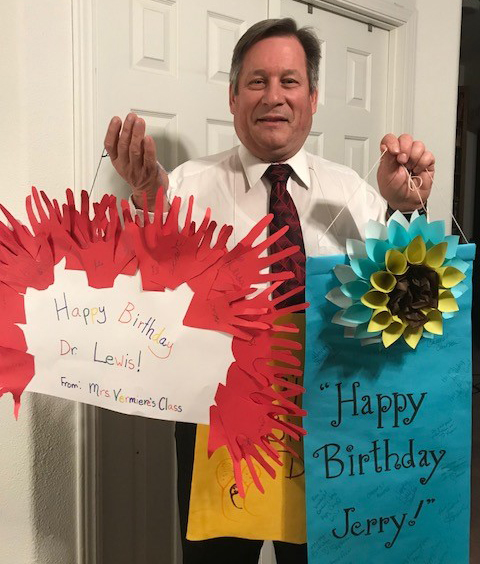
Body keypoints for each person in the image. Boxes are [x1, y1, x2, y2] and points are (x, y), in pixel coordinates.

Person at [104, 17, 435, 563]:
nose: (273, 96)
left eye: (289, 81)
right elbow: (142, 285)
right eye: (256, 82)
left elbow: (406, 297)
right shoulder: (185, 186)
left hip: (330, 424)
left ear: (313, 97)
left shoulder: (352, 192)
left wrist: (403, 209)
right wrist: (147, 195)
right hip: (220, 429)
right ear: (233, 98)